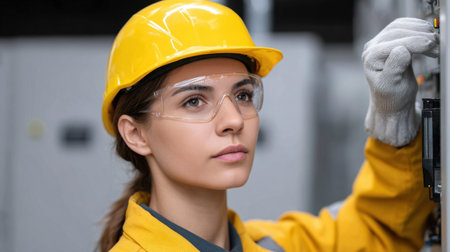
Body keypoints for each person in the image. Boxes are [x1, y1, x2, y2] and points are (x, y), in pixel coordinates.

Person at [97, 1, 439, 251]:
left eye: (243, 95)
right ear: (136, 134)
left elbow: (375, 231)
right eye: (194, 101)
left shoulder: (272, 245)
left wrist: (392, 120)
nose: (233, 121)